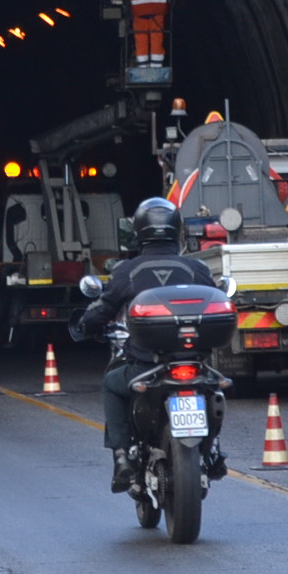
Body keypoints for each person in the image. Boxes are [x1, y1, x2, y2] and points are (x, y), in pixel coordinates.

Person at [71, 196, 222, 491]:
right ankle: (213, 451)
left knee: (112, 385)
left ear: (138, 231)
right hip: (194, 362)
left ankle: (122, 458)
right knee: (215, 388)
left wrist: (86, 325)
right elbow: (218, 301)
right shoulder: (196, 269)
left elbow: (102, 310)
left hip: (146, 365)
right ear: (177, 230)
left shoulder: (128, 271)